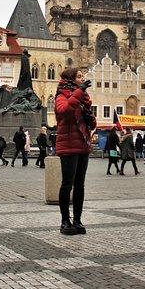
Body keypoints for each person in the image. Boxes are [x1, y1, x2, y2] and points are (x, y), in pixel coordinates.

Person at [54, 67, 96, 235]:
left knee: (80, 185)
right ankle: (65, 221)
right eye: (79, 76)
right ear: (71, 79)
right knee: (67, 184)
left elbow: (89, 124)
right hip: (68, 144)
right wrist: (79, 92)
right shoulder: (61, 95)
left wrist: (90, 119)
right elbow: (64, 111)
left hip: (83, 144)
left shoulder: (83, 98)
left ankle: (77, 220)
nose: (82, 79)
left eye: (83, 76)